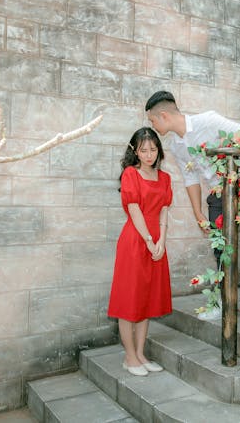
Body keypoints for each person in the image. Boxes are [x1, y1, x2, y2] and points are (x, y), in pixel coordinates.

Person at [144, 90, 240, 264]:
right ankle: (224, 290)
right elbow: (191, 179)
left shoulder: (207, 121)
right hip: (217, 194)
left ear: (163, 116)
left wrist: (222, 146)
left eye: (152, 121)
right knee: (219, 249)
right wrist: (198, 213)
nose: (153, 126)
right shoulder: (176, 146)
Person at [107, 127, 172, 377]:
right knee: (129, 299)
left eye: (153, 149)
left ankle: (141, 354)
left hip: (156, 241)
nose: (149, 154)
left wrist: (162, 241)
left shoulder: (165, 178)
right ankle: (129, 356)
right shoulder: (130, 174)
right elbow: (134, 209)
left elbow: (164, 210)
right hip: (135, 240)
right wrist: (148, 240)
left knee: (147, 299)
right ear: (135, 150)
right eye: (143, 150)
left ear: (159, 150)